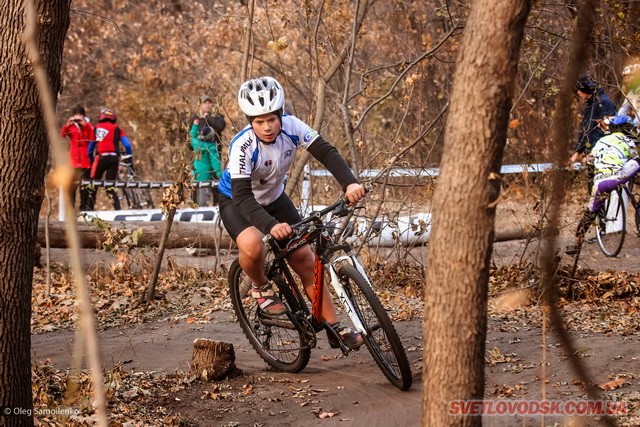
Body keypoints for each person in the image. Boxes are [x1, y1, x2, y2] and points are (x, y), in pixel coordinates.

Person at [217, 76, 367, 349]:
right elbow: (242, 196)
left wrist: (350, 182)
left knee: (304, 258)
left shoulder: (292, 127)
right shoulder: (242, 146)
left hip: (274, 199)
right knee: (252, 244)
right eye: (259, 121)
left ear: (280, 114)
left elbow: (326, 152)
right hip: (237, 201)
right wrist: (271, 225)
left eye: (271, 119)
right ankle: (261, 286)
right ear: (250, 121)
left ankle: (335, 328)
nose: (267, 127)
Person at [566, 115, 640, 255]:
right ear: (626, 129)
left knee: (590, 213)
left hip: (600, 183)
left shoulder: (600, 141)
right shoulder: (628, 141)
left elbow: (589, 160)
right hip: (619, 177)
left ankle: (576, 243)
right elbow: (632, 157)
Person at [88, 108, 133, 210]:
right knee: (110, 186)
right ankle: (118, 210)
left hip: (100, 157)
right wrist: (130, 160)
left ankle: (89, 209)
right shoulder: (117, 129)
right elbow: (128, 145)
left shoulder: (96, 128)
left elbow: (90, 149)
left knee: (92, 184)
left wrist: (91, 160)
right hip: (114, 158)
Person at [190, 94, 226, 206]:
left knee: (215, 184)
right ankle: (195, 206)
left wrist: (207, 117)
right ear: (200, 104)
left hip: (215, 153)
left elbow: (221, 126)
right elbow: (190, 137)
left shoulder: (217, 117)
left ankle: (217, 204)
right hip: (199, 156)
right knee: (196, 188)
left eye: (209, 102)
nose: (208, 105)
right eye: (205, 102)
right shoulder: (195, 118)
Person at [60, 106, 95, 211]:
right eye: (76, 117)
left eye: (80, 117)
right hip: (73, 161)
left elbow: (93, 137)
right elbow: (62, 135)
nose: (78, 119)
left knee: (84, 187)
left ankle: (84, 209)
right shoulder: (71, 127)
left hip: (85, 161)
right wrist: (67, 125)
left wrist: (85, 125)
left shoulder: (88, 126)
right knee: (72, 186)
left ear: (84, 116)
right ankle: (70, 208)